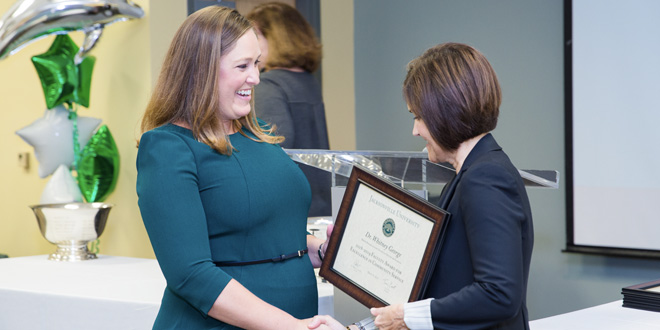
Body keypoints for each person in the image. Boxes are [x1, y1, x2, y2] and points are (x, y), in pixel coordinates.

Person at [314, 43, 534, 330]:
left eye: (418, 116)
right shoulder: (470, 173)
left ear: (446, 113)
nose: (415, 130)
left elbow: (499, 295)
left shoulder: (485, 177)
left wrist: (407, 317)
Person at [136, 6, 331, 330]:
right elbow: (191, 274)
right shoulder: (167, 148)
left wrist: (320, 251)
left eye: (256, 63)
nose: (255, 77)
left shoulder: (258, 135)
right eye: (242, 66)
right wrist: (291, 327)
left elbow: (268, 240)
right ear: (201, 71)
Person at [247, 2, 332, 217]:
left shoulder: (268, 84)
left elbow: (272, 152)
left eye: (255, 35)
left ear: (276, 37)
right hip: (320, 204)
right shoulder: (308, 81)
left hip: (290, 211)